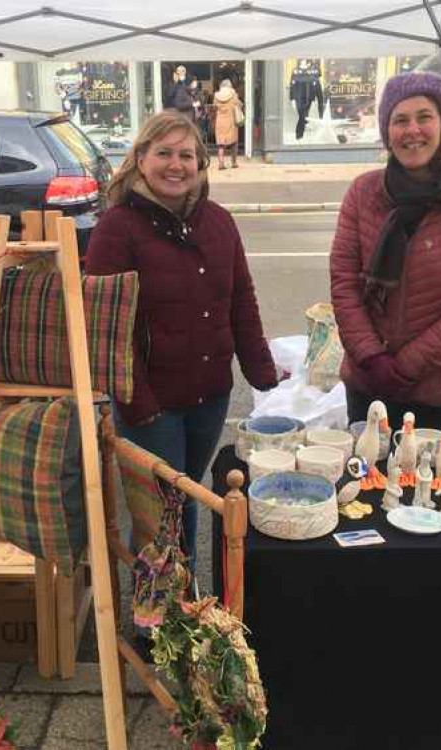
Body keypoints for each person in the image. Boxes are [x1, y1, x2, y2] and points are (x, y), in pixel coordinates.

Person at [86, 111, 278, 572]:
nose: (176, 164)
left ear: (201, 163)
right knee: (159, 513)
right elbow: (104, 324)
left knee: (187, 493)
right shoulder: (118, 227)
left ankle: (183, 606)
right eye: (164, 153)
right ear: (140, 159)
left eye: (186, 155)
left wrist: (262, 371)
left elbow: (241, 300)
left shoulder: (219, 222)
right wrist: (138, 402)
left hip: (210, 394)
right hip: (152, 403)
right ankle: (157, 626)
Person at [329, 71, 441, 433]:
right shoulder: (364, 193)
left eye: (424, 117)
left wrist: (406, 366)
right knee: (367, 483)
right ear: (387, 132)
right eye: (400, 120)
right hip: (369, 385)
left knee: (437, 483)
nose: (412, 130)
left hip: (440, 392)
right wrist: (372, 357)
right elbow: (344, 284)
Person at [212, 79, 241, 169]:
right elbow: (238, 104)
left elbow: (214, 107)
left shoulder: (216, 96)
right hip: (231, 121)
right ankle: (234, 162)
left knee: (221, 144)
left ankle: (221, 163)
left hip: (220, 121)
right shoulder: (233, 94)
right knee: (234, 143)